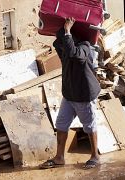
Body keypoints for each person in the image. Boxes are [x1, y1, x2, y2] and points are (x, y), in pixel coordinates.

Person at [40, 17, 101, 170]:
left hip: (83, 94)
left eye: (65, 35)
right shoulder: (66, 48)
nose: (61, 38)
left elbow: (75, 54)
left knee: (89, 125)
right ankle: (59, 157)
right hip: (69, 93)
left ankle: (95, 156)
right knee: (61, 124)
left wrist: (67, 32)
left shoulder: (85, 46)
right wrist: (63, 35)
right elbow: (63, 48)